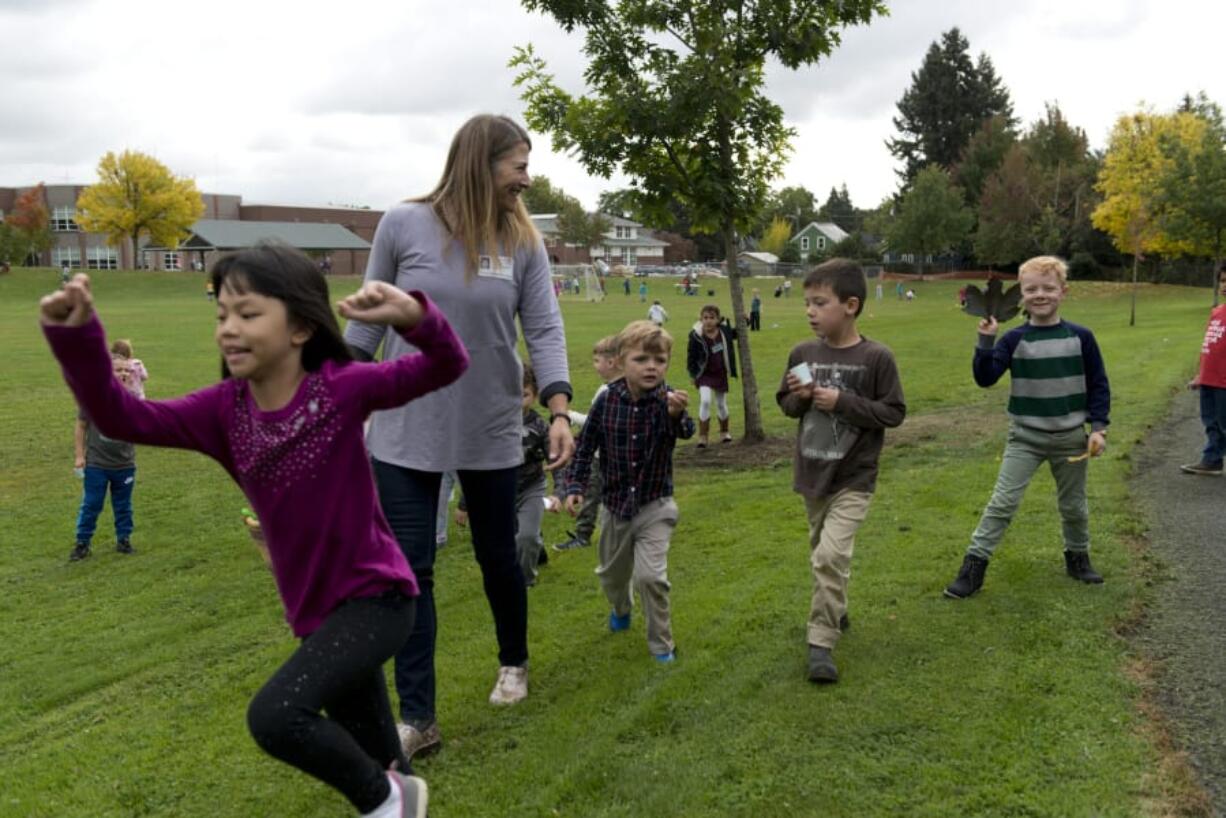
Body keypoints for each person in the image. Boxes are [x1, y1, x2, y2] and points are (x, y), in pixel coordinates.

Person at [42, 244, 469, 818]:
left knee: (276, 716)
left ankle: (384, 799)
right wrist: (78, 339)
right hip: (316, 617)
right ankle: (393, 794)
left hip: (377, 599)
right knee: (387, 766)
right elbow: (122, 417)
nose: (229, 328)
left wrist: (415, 318)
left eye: (247, 313)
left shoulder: (341, 389)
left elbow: (447, 365)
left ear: (299, 326)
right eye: (221, 314)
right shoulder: (223, 412)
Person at [343, 115, 574, 759]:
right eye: (518, 166)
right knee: (409, 573)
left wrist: (557, 408)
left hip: (490, 427)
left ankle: (514, 660)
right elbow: (365, 326)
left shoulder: (522, 240)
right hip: (405, 428)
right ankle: (417, 718)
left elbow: (545, 328)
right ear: (480, 162)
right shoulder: (402, 223)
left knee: (497, 558)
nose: (527, 179)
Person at [944, 255, 1110, 600]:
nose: (1040, 295)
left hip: (1070, 439)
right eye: (1031, 289)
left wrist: (1098, 428)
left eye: (1048, 288)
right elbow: (985, 378)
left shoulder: (1081, 337)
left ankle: (1077, 557)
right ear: (1021, 294)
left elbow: (1098, 385)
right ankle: (973, 569)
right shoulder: (1014, 339)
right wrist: (986, 342)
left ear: (1062, 291)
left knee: (1074, 506)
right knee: (1002, 504)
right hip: (1026, 438)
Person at [777, 259, 906, 684]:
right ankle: (837, 607)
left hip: (855, 476)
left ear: (850, 305)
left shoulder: (877, 357)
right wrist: (802, 397)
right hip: (813, 472)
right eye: (807, 303)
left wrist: (842, 402)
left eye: (820, 303)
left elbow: (893, 412)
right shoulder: (802, 354)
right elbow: (788, 405)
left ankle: (820, 642)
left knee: (831, 556)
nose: (810, 311)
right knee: (822, 554)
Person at [565, 320, 695, 662]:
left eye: (659, 360)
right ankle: (621, 608)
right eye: (641, 359)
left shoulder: (668, 401)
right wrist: (575, 485)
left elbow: (685, 430)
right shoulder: (606, 402)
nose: (651, 367)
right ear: (620, 361)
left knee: (651, 578)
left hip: (656, 506)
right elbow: (584, 446)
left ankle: (661, 646)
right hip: (615, 507)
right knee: (611, 575)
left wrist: (676, 415)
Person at [458, 364, 560, 584]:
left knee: (526, 536)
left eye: (523, 395)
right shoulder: (490, 426)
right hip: (501, 490)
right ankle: (536, 550)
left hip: (532, 488)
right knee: (512, 537)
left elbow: (555, 460)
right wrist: (464, 504)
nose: (516, 401)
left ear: (534, 395)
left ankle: (525, 579)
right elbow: (476, 465)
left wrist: (560, 492)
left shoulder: (541, 427)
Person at [69, 355, 140, 561]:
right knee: (92, 504)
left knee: (123, 505)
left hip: (125, 464)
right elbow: (81, 426)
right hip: (96, 464)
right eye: (119, 370)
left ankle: (124, 540)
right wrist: (79, 456)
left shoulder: (132, 399)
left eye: (127, 370)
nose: (124, 374)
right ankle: (82, 543)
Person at [554, 335, 621, 552]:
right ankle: (597, 534)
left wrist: (568, 414)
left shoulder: (606, 391)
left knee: (593, 497)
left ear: (611, 362)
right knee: (601, 496)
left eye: (596, 360)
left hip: (603, 457)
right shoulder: (621, 388)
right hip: (611, 456)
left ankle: (585, 536)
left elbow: (594, 422)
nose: (595, 366)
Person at [1180, 263, 1226, 475]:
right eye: (1222, 281)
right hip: (1210, 379)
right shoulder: (1217, 313)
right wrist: (1200, 375)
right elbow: (1209, 346)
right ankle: (1212, 460)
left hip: (1224, 382)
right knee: (1211, 422)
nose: (1224, 286)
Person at [686, 304, 738, 447]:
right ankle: (703, 436)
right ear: (701, 319)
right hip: (704, 374)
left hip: (720, 373)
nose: (708, 321)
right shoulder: (696, 335)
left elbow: (737, 333)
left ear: (718, 319)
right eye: (705, 318)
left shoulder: (724, 331)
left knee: (721, 403)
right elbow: (691, 356)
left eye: (712, 318)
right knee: (706, 401)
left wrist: (746, 320)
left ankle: (724, 432)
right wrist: (692, 373)